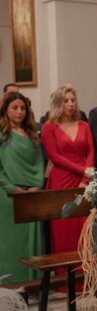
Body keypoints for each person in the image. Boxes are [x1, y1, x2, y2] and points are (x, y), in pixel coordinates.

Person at [41, 86, 95, 263]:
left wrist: (86, 178)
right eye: (66, 101)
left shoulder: (84, 125)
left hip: (83, 181)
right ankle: (63, 278)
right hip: (61, 180)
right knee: (63, 228)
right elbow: (54, 156)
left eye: (73, 100)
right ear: (58, 103)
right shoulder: (49, 127)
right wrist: (83, 171)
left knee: (84, 227)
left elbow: (91, 153)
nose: (71, 104)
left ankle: (86, 275)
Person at [0, 92, 44, 283]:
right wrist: (13, 188)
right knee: (10, 242)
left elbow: (39, 164)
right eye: (14, 108)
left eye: (23, 108)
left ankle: (33, 283)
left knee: (32, 242)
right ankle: (10, 283)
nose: (19, 112)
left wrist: (36, 186)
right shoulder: (2, 136)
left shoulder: (32, 135)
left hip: (31, 196)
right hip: (8, 195)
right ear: (5, 110)